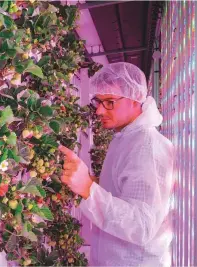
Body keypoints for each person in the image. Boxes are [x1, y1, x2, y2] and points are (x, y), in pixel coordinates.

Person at [59, 62, 175, 266]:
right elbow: (123, 191)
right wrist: (90, 182)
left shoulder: (146, 146)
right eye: (98, 102)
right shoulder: (126, 137)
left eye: (110, 102)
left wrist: (88, 189)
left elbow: (141, 226)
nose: (99, 111)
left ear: (134, 100)